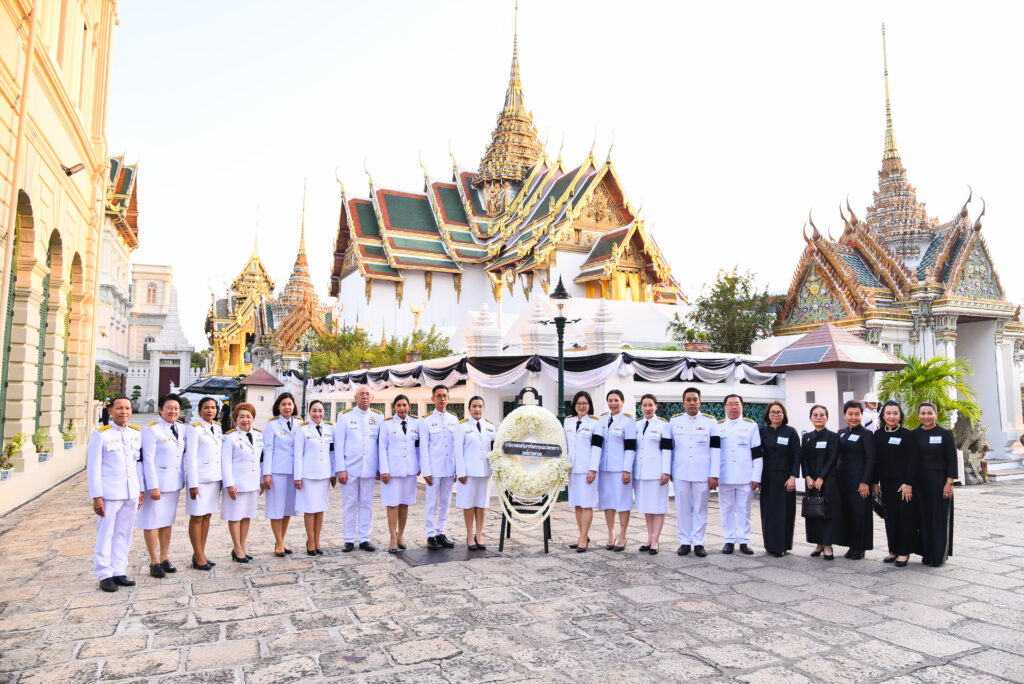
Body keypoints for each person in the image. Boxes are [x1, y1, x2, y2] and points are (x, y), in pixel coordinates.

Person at [87, 396, 143, 592]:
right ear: (110, 411)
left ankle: (119, 570)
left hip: (131, 492)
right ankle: (104, 574)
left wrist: (141, 488)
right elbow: (93, 469)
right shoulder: (101, 435)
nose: (124, 412)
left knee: (123, 532)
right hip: (109, 493)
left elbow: (138, 464)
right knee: (106, 533)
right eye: (119, 408)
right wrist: (96, 496)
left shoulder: (136, 434)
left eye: (127, 408)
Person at [669, 387, 720, 558]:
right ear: (683, 403)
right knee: (682, 508)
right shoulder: (674, 421)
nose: (692, 403)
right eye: (688, 400)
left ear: (700, 402)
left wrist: (714, 474)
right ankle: (684, 542)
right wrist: (668, 471)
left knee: (700, 508)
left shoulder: (710, 422)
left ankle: (698, 542)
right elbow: (670, 449)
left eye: (695, 399)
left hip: (702, 473)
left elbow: (715, 450)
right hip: (681, 472)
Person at [139, 393, 186, 578]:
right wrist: (153, 486)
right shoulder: (152, 430)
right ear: (160, 409)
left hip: (173, 483)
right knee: (152, 522)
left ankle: (165, 557)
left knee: (167, 521)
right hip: (157, 484)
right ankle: (154, 561)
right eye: (169, 408)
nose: (173, 411)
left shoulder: (181, 429)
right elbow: (147, 460)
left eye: (176, 408)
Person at [335, 385, 381, 552]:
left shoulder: (378, 417)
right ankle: (348, 539)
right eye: (361, 394)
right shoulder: (345, 416)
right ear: (355, 398)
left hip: (369, 468)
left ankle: (364, 538)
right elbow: (339, 445)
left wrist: (379, 468)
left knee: (367, 504)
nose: (365, 397)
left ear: (372, 398)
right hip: (350, 468)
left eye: (368, 394)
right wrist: (340, 469)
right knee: (349, 504)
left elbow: (380, 445)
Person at [873, 400, 917, 567]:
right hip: (885, 484)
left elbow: (913, 462)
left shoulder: (907, 434)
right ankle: (893, 550)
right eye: (888, 413)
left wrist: (908, 483)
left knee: (904, 518)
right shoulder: (878, 435)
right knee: (889, 518)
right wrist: (874, 482)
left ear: (900, 416)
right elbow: (875, 460)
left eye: (895, 413)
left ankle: (904, 552)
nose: (892, 416)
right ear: (883, 416)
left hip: (903, 485)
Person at [717, 394, 762, 555]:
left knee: (745, 509)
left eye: (737, 404)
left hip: (745, 476)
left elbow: (757, 453)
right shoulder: (718, 426)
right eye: (730, 404)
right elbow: (714, 454)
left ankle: (744, 540)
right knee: (726, 508)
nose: (734, 407)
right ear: (725, 407)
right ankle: (729, 540)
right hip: (725, 475)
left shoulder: (751, 426)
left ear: (742, 406)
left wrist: (756, 476)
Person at [591, 389, 636, 551]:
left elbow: (631, 448)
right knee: (607, 502)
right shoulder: (602, 419)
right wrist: (594, 468)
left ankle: (623, 535)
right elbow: (596, 444)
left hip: (620, 469)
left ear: (622, 402)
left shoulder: (628, 421)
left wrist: (627, 470)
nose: (613, 403)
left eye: (616, 400)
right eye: (610, 400)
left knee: (623, 503)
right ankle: (611, 534)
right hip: (604, 468)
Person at [912, 402, 956, 567]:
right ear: (919, 416)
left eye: (930, 413)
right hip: (920, 484)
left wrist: (949, 482)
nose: (926, 416)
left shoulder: (945, 434)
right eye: (923, 413)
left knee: (939, 519)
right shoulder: (915, 434)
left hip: (940, 483)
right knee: (924, 519)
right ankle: (927, 554)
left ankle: (938, 556)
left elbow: (951, 460)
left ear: (936, 415)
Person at [630, 394, 672, 555]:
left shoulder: (663, 425)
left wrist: (666, 471)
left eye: (650, 405)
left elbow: (667, 450)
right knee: (647, 507)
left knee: (658, 507)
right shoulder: (637, 425)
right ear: (641, 407)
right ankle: (649, 537)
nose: (647, 408)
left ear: (656, 406)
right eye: (644, 405)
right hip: (641, 472)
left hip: (657, 473)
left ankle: (656, 540)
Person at [221, 403, 263, 563]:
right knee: (235, 516)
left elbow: (261, 459)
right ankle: (237, 547)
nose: (245, 420)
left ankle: (242, 546)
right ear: (235, 419)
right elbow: (226, 462)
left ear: (253, 418)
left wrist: (262, 480)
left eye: (248, 416)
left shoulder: (259, 435)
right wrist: (229, 484)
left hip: (252, 482)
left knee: (246, 516)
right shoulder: (230, 437)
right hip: (237, 483)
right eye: (242, 417)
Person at [758, 401, 801, 557]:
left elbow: (797, 455)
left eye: (779, 412)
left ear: (784, 415)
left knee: (784, 512)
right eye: (773, 412)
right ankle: (770, 545)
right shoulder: (762, 431)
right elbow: (756, 454)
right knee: (768, 511)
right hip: (768, 477)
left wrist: (793, 477)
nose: (776, 415)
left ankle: (782, 545)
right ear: (768, 415)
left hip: (785, 478)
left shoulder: (790, 432)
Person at [378, 395, 420, 553]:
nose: (402, 408)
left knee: (404, 503)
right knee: (392, 504)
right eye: (399, 405)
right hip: (392, 471)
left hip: (409, 470)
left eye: (404, 405)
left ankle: (401, 534)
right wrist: (384, 470)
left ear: (409, 406)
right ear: (394, 407)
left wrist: (420, 465)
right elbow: (382, 448)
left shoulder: (416, 423)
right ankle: (392, 538)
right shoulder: (387, 424)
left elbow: (419, 447)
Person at [185, 396, 222, 570]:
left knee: (207, 516)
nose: (210, 411)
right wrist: (193, 483)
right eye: (206, 408)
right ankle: (198, 555)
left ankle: (201, 552)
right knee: (197, 516)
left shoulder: (218, 428)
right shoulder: (194, 429)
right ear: (199, 410)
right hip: (199, 480)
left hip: (214, 478)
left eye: (213, 408)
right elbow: (190, 457)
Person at [801, 404, 842, 560]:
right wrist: (808, 477)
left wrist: (821, 478)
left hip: (828, 480)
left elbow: (833, 458)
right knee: (813, 512)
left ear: (827, 417)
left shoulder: (833, 437)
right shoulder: (807, 437)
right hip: (811, 482)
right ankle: (818, 543)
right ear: (811, 418)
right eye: (815, 415)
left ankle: (828, 545)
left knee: (827, 513)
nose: (818, 417)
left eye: (822, 415)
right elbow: (803, 459)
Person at [420, 385, 459, 549]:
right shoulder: (426, 420)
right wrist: (426, 471)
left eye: (444, 396)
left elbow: (456, 446)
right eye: (439, 396)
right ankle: (430, 535)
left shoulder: (454, 419)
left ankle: (440, 532)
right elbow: (424, 448)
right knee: (431, 502)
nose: (442, 399)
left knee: (445, 501)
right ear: (433, 399)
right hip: (434, 469)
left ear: (448, 399)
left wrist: (457, 468)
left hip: (449, 468)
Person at [837, 400, 876, 560]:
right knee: (848, 514)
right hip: (844, 482)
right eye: (850, 414)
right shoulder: (841, 432)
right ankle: (851, 544)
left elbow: (871, 459)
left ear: (862, 415)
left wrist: (865, 481)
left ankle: (860, 547)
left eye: (857, 414)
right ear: (844, 415)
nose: (854, 417)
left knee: (861, 514)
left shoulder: (867, 434)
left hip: (860, 482)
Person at [293, 400, 333, 556]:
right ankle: (310, 540)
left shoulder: (329, 428)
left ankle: (317, 540)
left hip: (324, 474)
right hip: (308, 475)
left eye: (320, 411)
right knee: (310, 509)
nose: (318, 414)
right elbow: (298, 455)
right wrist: (298, 477)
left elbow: (332, 452)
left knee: (320, 508)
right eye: (314, 411)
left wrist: (334, 473)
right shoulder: (302, 430)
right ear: (309, 412)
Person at [455, 396, 494, 551]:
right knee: (469, 504)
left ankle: (479, 534)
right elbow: (457, 451)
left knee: (482, 504)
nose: (477, 409)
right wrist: (460, 471)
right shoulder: (462, 426)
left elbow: (494, 448)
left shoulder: (490, 427)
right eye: (474, 406)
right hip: (468, 473)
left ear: (483, 408)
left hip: (485, 471)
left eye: (480, 406)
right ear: (469, 408)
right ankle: (470, 535)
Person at [263, 392, 299, 557]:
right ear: (278, 407)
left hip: (293, 472)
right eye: (283, 404)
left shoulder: (299, 423)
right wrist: (267, 473)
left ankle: (282, 540)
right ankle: (278, 542)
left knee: (287, 509)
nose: (287, 407)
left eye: (289, 404)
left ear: (294, 406)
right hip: (277, 471)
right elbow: (268, 450)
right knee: (276, 508)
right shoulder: (272, 425)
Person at [564, 391, 600, 552]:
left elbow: (597, 448)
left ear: (589, 405)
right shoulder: (568, 422)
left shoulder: (595, 423)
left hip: (587, 470)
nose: (581, 406)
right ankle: (582, 535)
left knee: (586, 505)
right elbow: (564, 444)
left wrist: (593, 469)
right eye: (579, 403)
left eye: (585, 403)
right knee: (577, 505)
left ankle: (583, 538)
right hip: (573, 469)